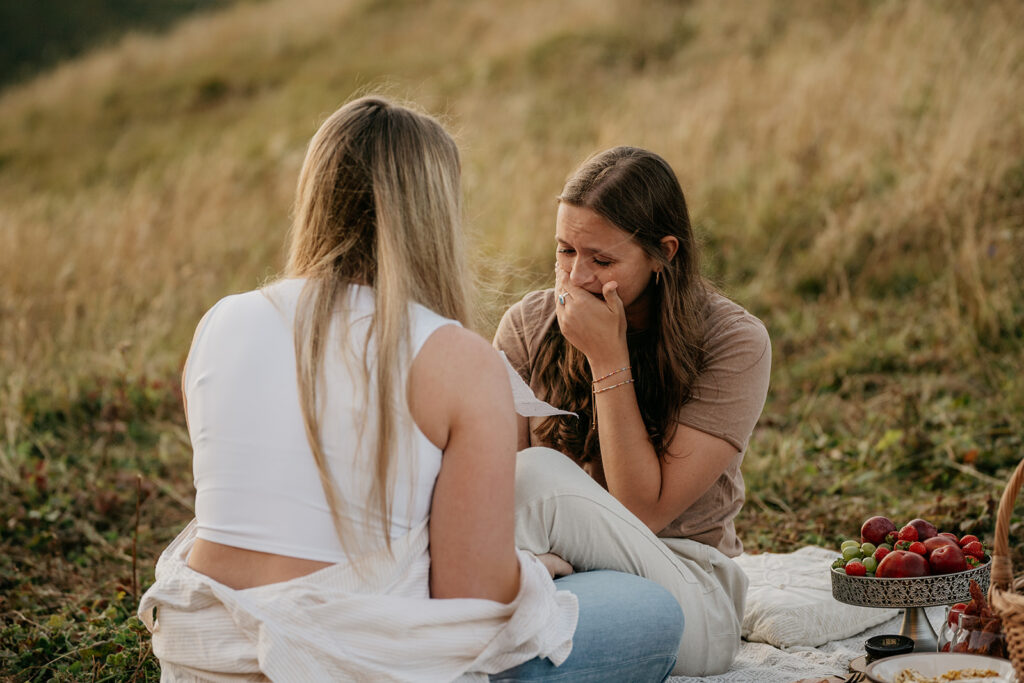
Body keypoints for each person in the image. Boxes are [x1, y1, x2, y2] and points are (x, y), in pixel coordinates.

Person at [138, 98, 683, 682]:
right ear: (433, 213)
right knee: (649, 611)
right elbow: (471, 603)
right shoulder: (454, 357)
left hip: (205, 654)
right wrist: (530, 570)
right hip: (349, 656)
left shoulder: (219, 322)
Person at [493, 146, 771, 677]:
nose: (575, 277)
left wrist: (606, 358)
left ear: (663, 252)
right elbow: (492, 490)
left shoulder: (734, 341)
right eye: (564, 250)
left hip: (687, 591)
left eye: (601, 260)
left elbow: (642, 513)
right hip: (566, 581)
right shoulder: (528, 325)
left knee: (536, 476)